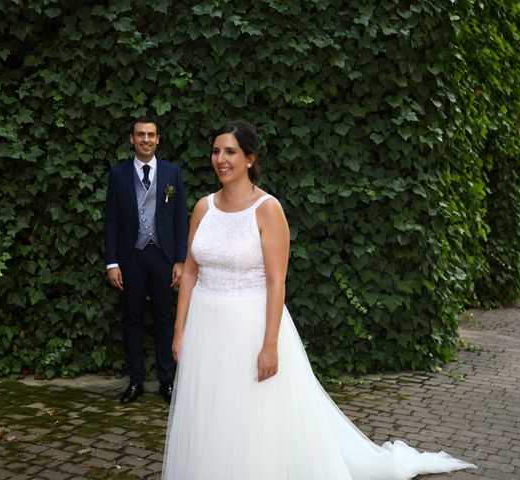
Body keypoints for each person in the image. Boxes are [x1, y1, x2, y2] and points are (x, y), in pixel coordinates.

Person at [161, 120, 476, 479]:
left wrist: (270, 344)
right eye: (216, 151)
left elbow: (278, 281)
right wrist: (179, 329)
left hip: (249, 325)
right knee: (208, 410)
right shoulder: (203, 207)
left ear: (250, 158)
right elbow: (189, 271)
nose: (221, 159)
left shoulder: (267, 209)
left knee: (250, 415)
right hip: (205, 322)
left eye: (230, 152)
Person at [104, 116, 188, 404]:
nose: (146, 139)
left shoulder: (172, 173)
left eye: (151, 135)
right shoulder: (118, 175)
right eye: (140, 134)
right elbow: (111, 220)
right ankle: (136, 381)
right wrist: (112, 262)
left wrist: (180, 259)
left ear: (158, 139)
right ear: (132, 139)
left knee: (165, 319)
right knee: (132, 319)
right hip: (132, 256)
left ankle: (166, 382)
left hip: (163, 256)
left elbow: (179, 219)